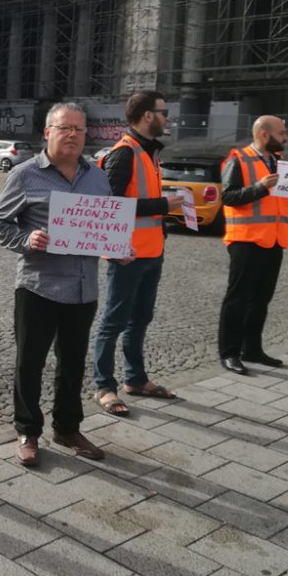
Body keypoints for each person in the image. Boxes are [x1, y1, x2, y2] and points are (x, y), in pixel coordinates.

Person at [0, 102, 109, 466]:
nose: (72, 134)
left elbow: (104, 228)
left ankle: (68, 427)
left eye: (79, 129)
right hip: (38, 286)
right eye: (64, 128)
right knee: (30, 362)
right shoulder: (25, 174)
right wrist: (28, 238)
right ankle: (28, 430)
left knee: (73, 362)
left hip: (83, 287)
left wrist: (117, 248)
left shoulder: (97, 177)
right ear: (48, 132)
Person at [91, 90, 183, 417]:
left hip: (152, 252)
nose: (167, 117)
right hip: (126, 255)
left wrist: (165, 219)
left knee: (141, 317)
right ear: (147, 115)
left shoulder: (149, 153)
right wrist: (163, 205)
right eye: (163, 111)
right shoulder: (124, 154)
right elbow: (108, 207)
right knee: (113, 321)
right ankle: (104, 385)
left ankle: (136, 379)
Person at [218, 115, 288, 375]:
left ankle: (252, 349)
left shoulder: (278, 162)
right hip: (246, 240)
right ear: (264, 134)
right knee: (237, 299)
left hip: (274, 240)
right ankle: (229, 352)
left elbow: (284, 202)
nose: (285, 137)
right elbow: (228, 196)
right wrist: (260, 187)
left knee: (261, 299)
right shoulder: (237, 160)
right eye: (281, 133)